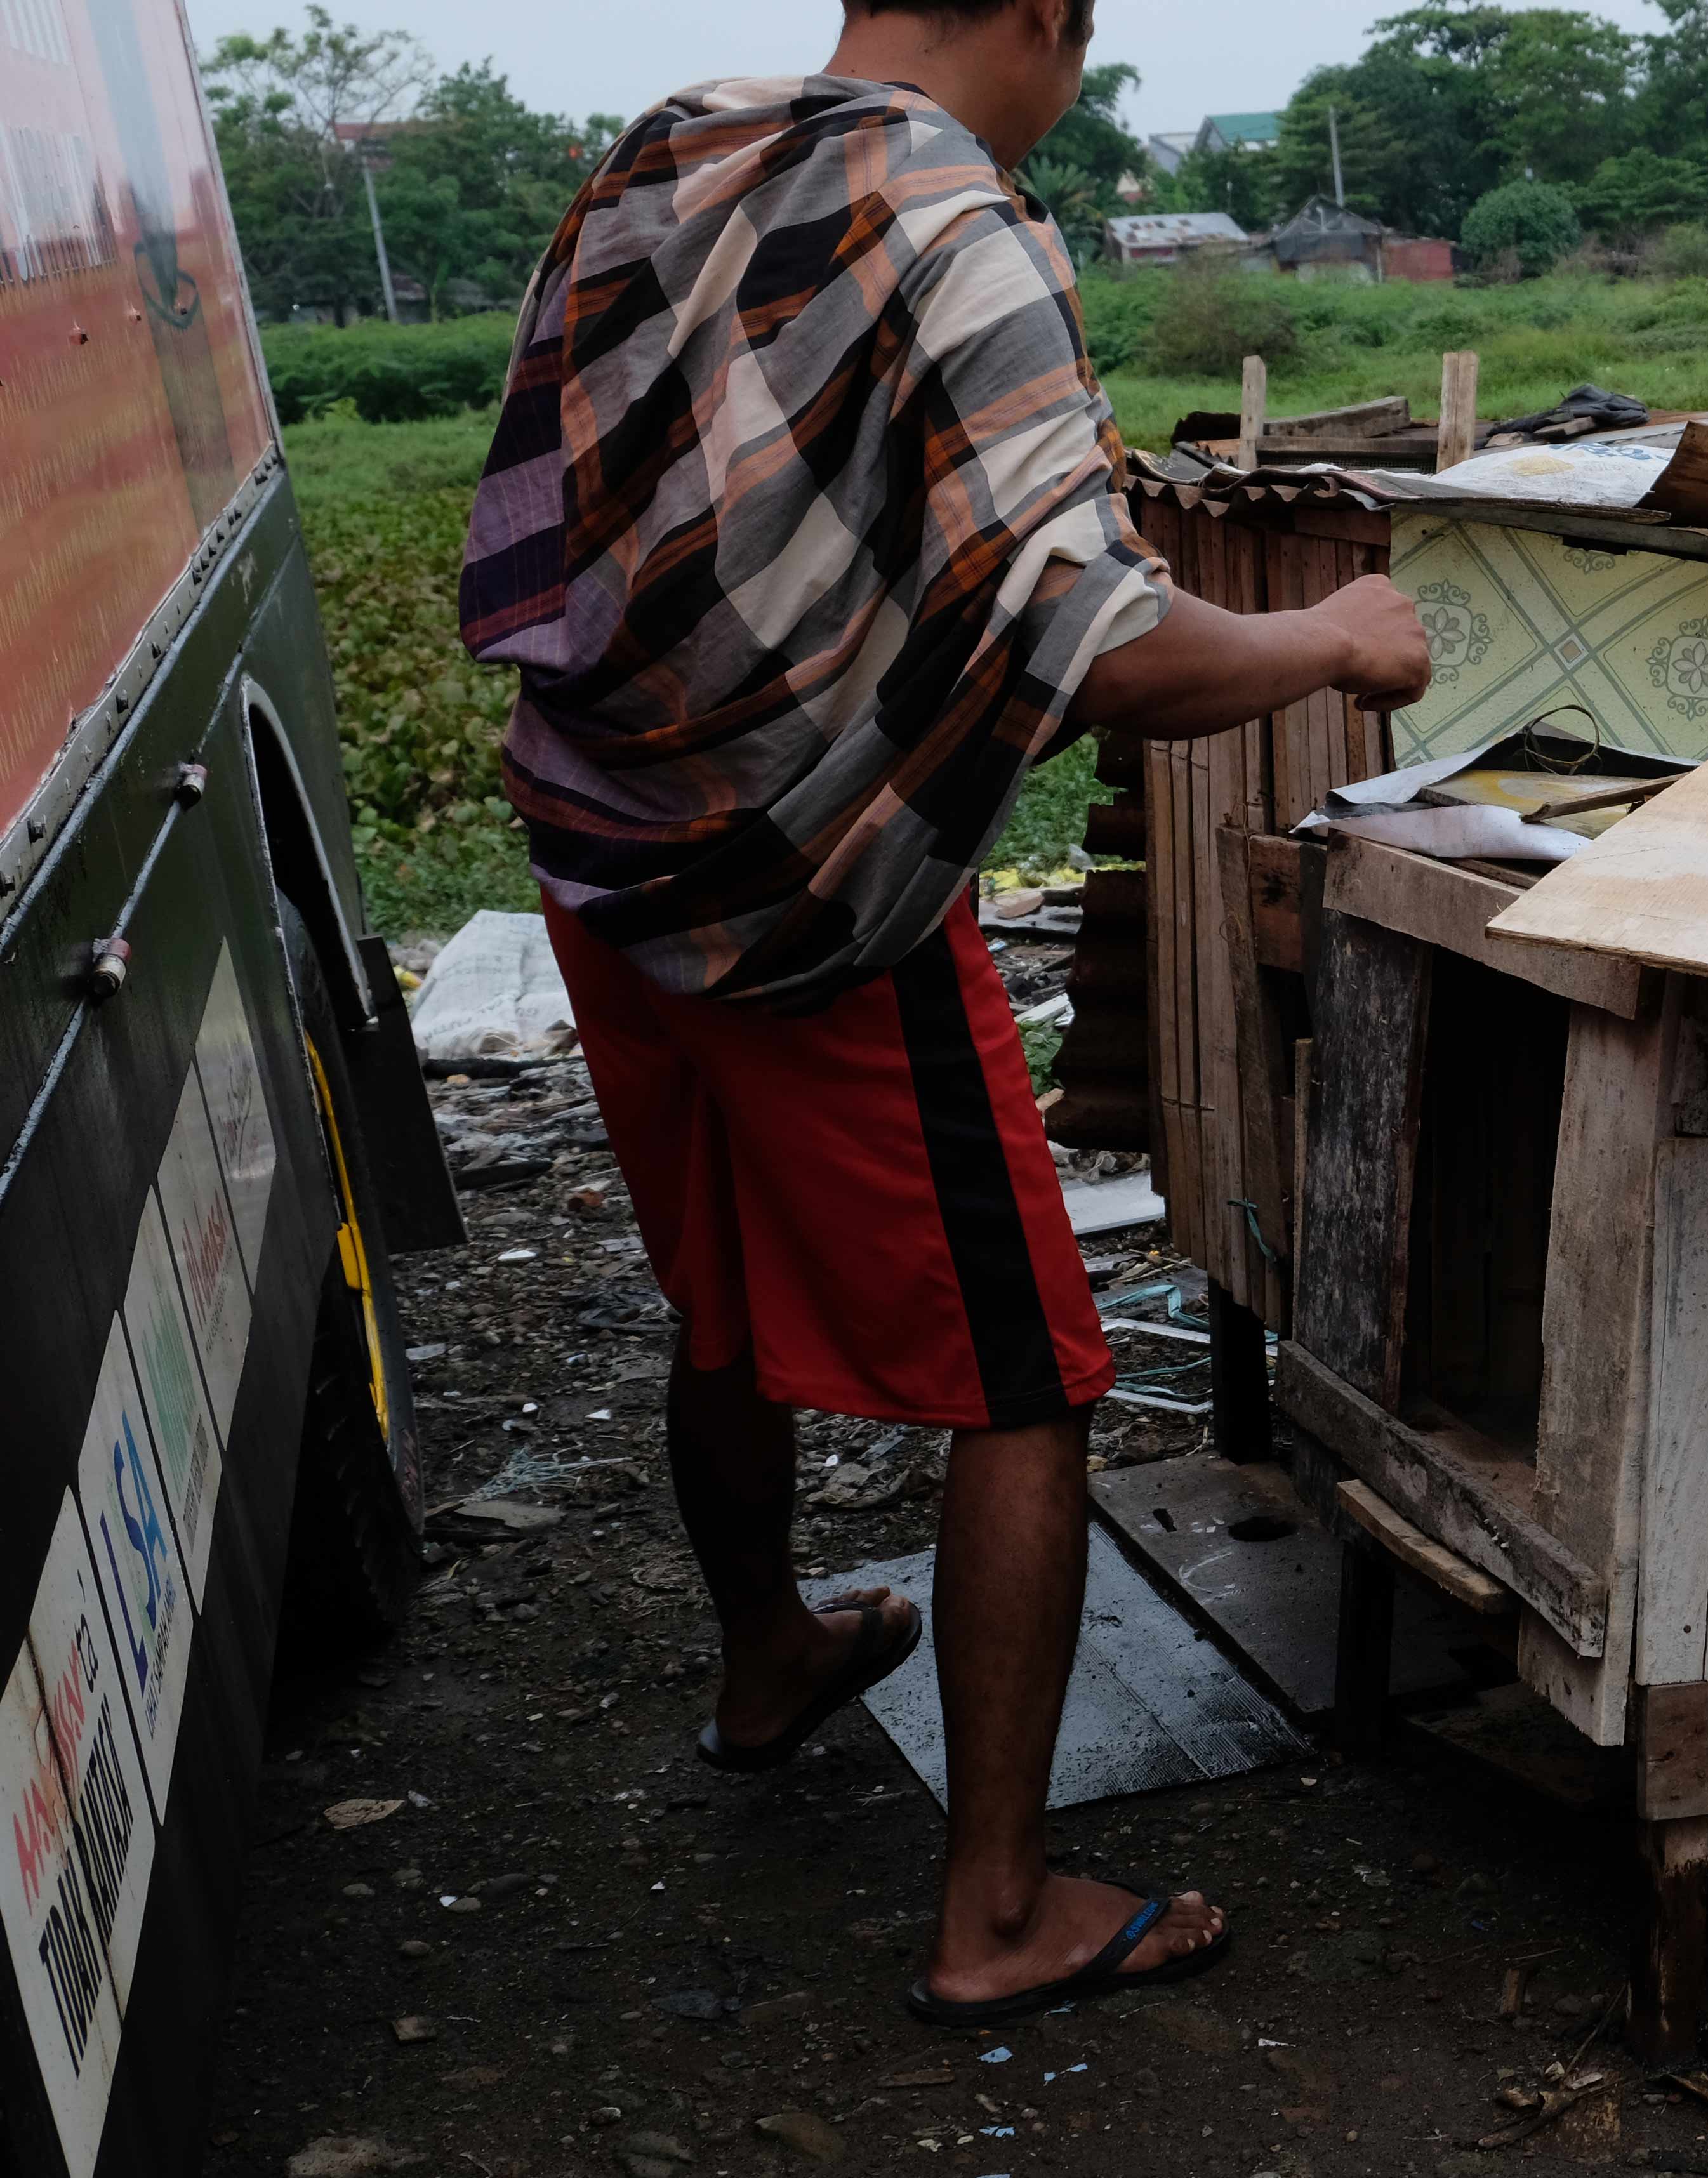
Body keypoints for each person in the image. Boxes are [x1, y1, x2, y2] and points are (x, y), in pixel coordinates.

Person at [459, 0, 1428, 2024]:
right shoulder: (962, 221)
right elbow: (1103, 649)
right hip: (814, 897)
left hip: (603, 848)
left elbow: (596, 490)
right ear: (1053, 18)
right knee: (1028, 1378)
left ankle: (767, 1658)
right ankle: (1000, 1910)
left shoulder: (674, 145)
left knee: (720, 1293)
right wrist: (1335, 632)